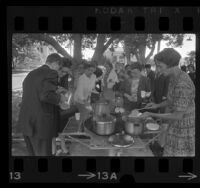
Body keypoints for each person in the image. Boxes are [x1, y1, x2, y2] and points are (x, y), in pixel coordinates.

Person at [141, 48, 195, 156]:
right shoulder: (173, 78)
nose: (158, 69)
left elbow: (178, 115)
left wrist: (150, 114)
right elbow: (171, 100)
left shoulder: (182, 83)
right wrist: (157, 105)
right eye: (157, 66)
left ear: (171, 65)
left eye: (160, 66)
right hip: (174, 125)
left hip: (183, 129)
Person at [17, 53, 67, 156]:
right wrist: (60, 98)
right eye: (59, 66)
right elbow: (45, 96)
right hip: (40, 125)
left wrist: (55, 91)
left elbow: (36, 93)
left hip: (26, 121)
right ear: (55, 63)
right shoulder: (51, 73)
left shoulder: (31, 73)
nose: (58, 69)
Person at [73, 63, 96, 131]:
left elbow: (92, 88)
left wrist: (90, 95)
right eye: (89, 70)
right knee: (85, 114)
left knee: (88, 114)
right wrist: (85, 101)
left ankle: (84, 130)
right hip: (79, 99)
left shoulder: (94, 76)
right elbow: (80, 92)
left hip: (87, 98)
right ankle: (79, 131)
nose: (90, 72)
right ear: (85, 70)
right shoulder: (81, 78)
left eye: (92, 70)